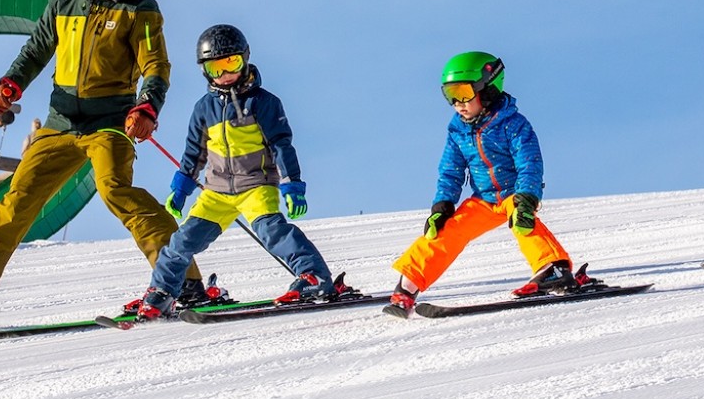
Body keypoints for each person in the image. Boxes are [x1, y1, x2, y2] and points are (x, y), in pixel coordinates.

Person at [0, 0, 213, 332]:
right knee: (17, 204)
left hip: (110, 122)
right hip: (60, 122)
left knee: (116, 192)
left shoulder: (139, 6)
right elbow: (36, 50)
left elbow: (156, 65)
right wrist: (11, 83)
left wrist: (147, 107)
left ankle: (186, 282)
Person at [133, 24, 343, 320]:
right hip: (216, 193)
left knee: (273, 232)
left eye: (231, 63)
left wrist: (292, 185)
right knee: (180, 244)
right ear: (205, 71)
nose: (224, 74)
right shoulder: (203, 108)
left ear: (245, 59)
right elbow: (194, 153)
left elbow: (281, 145)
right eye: (215, 68)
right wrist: (180, 190)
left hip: (255, 186)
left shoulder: (264, 102)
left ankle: (313, 277)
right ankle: (162, 293)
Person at [387, 51, 595, 313]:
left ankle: (554, 268)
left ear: (487, 90)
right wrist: (442, 205)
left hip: (513, 194)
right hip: (484, 199)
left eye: (463, 92)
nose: (457, 103)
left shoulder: (513, 125)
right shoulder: (458, 130)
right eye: (450, 95)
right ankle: (408, 285)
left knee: (522, 222)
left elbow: (529, 164)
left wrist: (526, 198)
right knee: (445, 230)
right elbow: (450, 172)